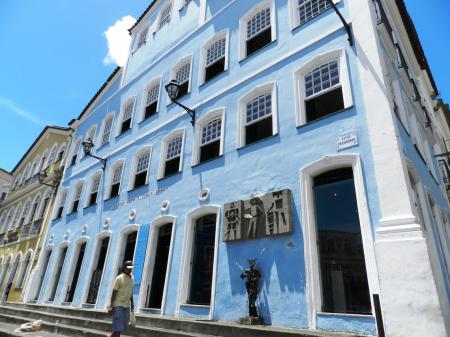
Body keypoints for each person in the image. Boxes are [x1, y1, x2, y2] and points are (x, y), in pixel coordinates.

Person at [107, 260, 134, 337]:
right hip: (118, 305)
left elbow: (130, 291)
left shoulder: (132, 278)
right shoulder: (119, 278)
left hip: (127, 306)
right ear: (124, 268)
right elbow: (114, 292)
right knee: (118, 328)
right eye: (128, 268)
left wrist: (132, 304)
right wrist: (111, 306)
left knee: (121, 327)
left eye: (131, 268)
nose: (130, 269)